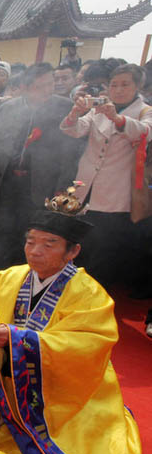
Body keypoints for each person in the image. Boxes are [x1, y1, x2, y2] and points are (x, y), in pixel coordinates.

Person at [0, 208, 140, 454]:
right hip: (2, 376)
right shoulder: (8, 277)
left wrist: (15, 338)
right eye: (30, 242)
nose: (35, 251)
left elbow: (85, 345)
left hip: (61, 388)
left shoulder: (90, 295)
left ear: (73, 251)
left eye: (49, 243)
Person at [0, 63, 84, 273]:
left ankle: (27, 282)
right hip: (6, 181)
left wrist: (63, 190)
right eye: (40, 86)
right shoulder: (8, 108)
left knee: (35, 237)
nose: (47, 89)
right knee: (1, 232)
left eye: (50, 84)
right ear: (25, 87)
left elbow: (70, 154)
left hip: (43, 185)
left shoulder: (65, 108)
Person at [62, 63, 152, 292]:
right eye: (114, 84)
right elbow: (74, 130)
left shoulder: (144, 111)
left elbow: (144, 132)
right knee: (79, 243)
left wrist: (117, 118)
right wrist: (75, 112)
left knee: (104, 248)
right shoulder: (98, 108)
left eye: (125, 84)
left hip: (116, 190)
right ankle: (71, 292)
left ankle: (94, 297)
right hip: (85, 185)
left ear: (137, 86)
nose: (118, 89)